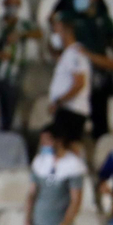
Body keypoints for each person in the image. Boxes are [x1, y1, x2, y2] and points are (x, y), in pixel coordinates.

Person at [59, 0, 113, 139]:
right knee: (74, 117)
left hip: (100, 73)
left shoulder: (103, 18)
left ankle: (100, 145)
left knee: (100, 115)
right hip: (77, 72)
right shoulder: (69, 17)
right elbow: (58, 38)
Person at [0, 0, 38, 130]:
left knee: (9, 113)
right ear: (4, 4)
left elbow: (38, 33)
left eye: (15, 4)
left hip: (14, 77)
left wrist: (21, 34)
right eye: (9, 3)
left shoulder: (23, 25)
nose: (12, 7)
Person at [47, 14, 91, 145]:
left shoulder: (75, 53)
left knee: (68, 148)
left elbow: (79, 83)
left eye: (56, 30)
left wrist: (59, 101)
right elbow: (52, 52)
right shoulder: (67, 54)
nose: (54, 34)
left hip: (71, 111)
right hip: (66, 110)